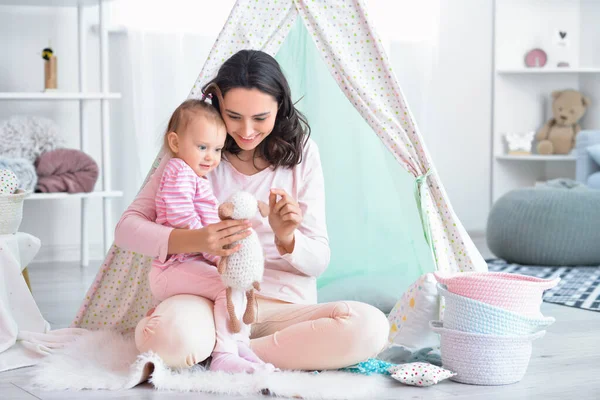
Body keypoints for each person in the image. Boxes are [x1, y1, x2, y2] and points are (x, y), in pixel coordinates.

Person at [120, 50, 389, 371]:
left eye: (260, 118)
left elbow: (318, 261)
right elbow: (127, 230)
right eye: (233, 116)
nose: (246, 131)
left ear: (280, 107)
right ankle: (231, 352)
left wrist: (286, 236)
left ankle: (225, 354)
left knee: (370, 327)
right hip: (209, 300)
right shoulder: (200, 149)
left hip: (283, 307)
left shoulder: (302, 154)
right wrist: (198, 240)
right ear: (218, 108)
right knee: (167, 339)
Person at [145, 99, 272, 373]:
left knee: (235, 284)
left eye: (216, 149)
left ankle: (237, 344)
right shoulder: (178, 172)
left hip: (187, 265)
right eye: (202, 147)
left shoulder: (196, 178)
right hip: (171, 268)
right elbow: (182, 220)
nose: (210, 157)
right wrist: (214, 251)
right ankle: (224, 354)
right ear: (176, 143)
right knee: (224, 286)